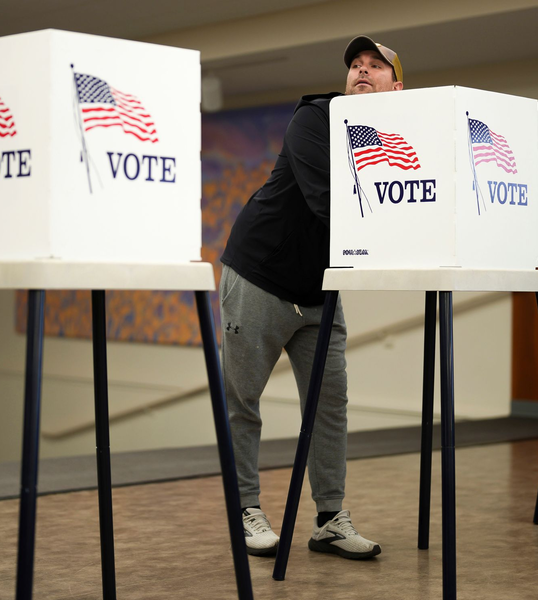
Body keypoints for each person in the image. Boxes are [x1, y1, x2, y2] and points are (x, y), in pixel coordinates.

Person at [219, 35, 404, 560]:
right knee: (243, 401)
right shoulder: (314, 118)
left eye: (376, 66)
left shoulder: (392, 141)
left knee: (329, 405)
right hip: (260, 275)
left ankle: (328, 520)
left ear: (396, 86)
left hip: (320, 290)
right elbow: (331, 203)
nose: (362, 71)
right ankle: (245, 507)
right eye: (356, 65)